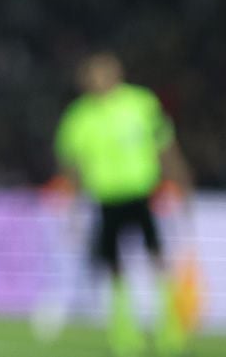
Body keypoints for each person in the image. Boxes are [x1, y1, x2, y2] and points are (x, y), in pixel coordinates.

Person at [54, 51, 193, 357]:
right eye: (92, 75)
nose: (98, 80)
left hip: (143, 195)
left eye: (103, 72)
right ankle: (124, 334)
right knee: (114, 266)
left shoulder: (141, 104)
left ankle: (170, 331)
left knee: (158, 259)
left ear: (117, 73)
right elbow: (71, 165)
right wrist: (72, 205)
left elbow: (165, 145)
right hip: (106, 201)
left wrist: (181, 179)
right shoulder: (79, 117)